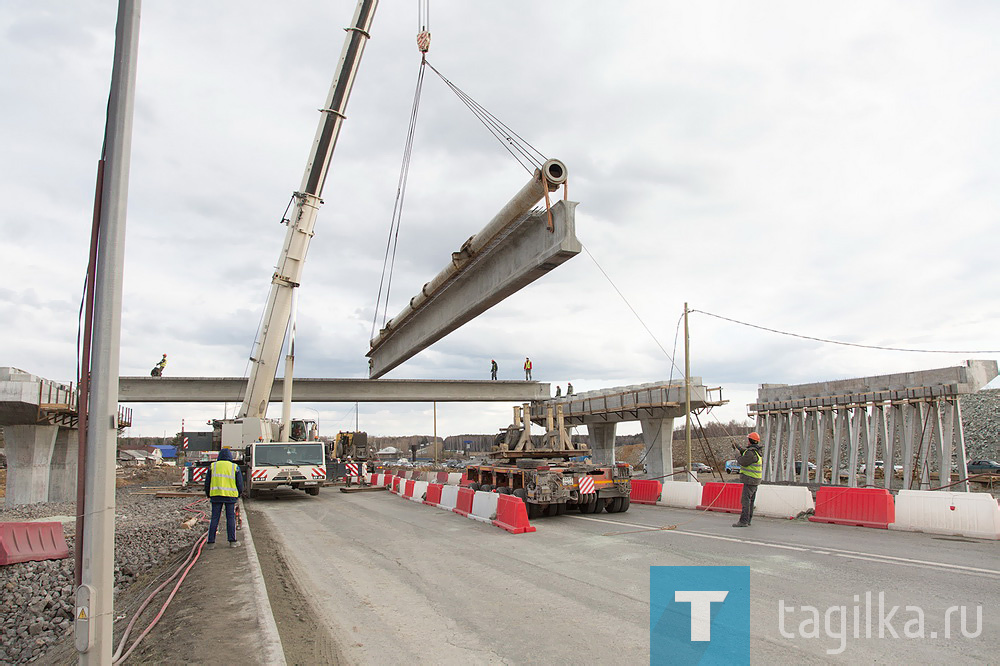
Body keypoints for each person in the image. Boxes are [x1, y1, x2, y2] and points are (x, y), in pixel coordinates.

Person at [203, 448, 244, 547]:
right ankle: (232, 541)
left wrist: (208, 494)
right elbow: (240, 483)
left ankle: (211, 543)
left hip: (216, 495)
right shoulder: (234, 467)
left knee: (214, 518)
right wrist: (239, 493)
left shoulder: (213, 466)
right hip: (230, 496)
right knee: (230, 518)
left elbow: (207, 483)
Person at [732, 432, 763, 527]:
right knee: (750, 501)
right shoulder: (755, 451)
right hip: (755, 480)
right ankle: (748, 520)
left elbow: (742, 461)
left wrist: (736, 453)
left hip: (750, 480)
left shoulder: (751, 453)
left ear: (750, 440)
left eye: (748, 439)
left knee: (746, 501)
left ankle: (743, 521)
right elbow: (744, 452)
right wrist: (737, 447)